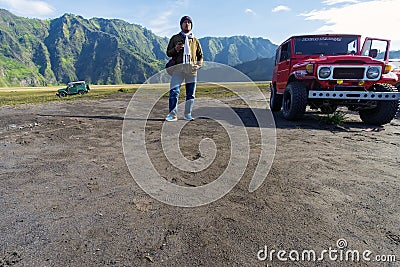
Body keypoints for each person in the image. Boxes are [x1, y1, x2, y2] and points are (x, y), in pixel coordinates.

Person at [165, 15, 203, 121]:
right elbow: (168, 53)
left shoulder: (195, 41)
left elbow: (200, 56)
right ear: (181, 24)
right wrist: (176, 49)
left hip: (191, 71)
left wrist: (199, 65)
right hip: (178, 69)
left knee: (190, 94)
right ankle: (172, 115)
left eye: (189, 22)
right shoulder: (175, 38)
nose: (187, 24)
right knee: (174, 92)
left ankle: (188, 114)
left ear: (191, 25)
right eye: (185, 22)